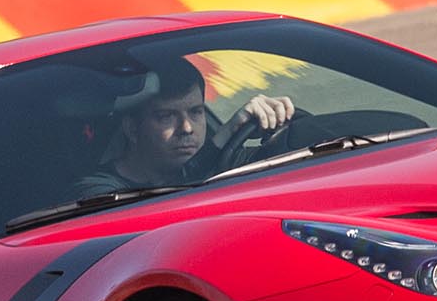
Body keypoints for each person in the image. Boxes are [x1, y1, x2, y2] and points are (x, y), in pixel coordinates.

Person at [70, 57, 295, 199]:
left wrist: (282, 125)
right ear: (132, 129)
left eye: (196, 112)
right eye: (166, 116)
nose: (186, 128)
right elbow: (169, 203)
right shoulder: (98, 191)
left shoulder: (222, 162)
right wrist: (224, 136)